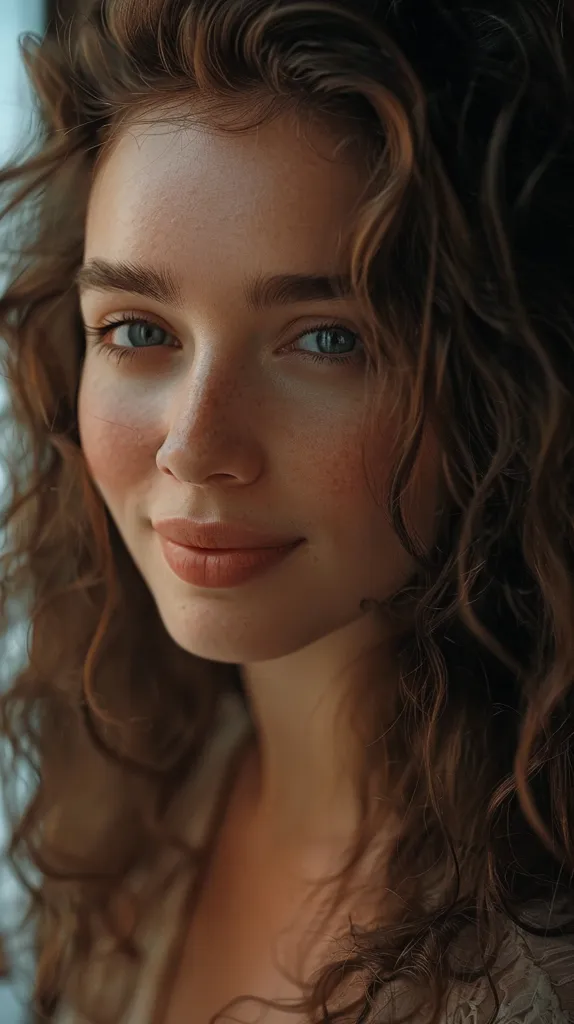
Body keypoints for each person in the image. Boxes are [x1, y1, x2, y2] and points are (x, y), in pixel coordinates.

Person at [0, 0, 573, 1021]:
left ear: (497, 383)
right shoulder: (129, 808)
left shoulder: (542, 961)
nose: (195, 446)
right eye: (136, 329)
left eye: (325, 340)